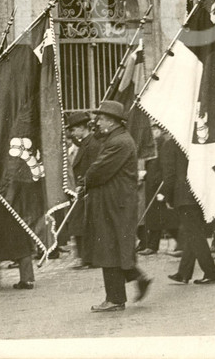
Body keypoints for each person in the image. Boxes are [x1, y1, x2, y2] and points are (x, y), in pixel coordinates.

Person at [82, 100, 152, 311]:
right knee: (113, 248)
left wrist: (84, 181)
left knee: (109, 249)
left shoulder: (118, 142)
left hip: (114, 204)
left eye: (101, 118)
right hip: (115, 202)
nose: (98, 122)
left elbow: (98, 171)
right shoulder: (117, 138)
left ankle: (114, 299)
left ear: (112, 121)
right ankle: (136, 279)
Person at [160, 135, 215, 285]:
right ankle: (184, 273)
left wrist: (167, 197)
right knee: (193, 232)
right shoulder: (197, 141)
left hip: (184, 195)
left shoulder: (171, 144)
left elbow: (169, 175)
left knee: (195, 234)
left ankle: (211, 272)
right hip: (200, 191)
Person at [64, 111, 102, 265]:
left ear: (81, 128)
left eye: (73, 130)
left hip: (87, 191)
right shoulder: (85, 142)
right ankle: (84, 257)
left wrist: (84, 186)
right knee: (79, 224)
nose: (72, 133)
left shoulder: (92, 144)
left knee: (84, 226)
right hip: (82, 190)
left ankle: (87, 258)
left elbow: (94, 168)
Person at [138, 124, 177, 255]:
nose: (153, 132)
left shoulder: (163, 143)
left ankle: (181, 243)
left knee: (167, 216)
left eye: (155, 129)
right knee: (155, 216)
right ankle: (152, 245)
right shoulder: (152, 144)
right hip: (151, 183)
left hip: (160, 183)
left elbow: (164, 165)